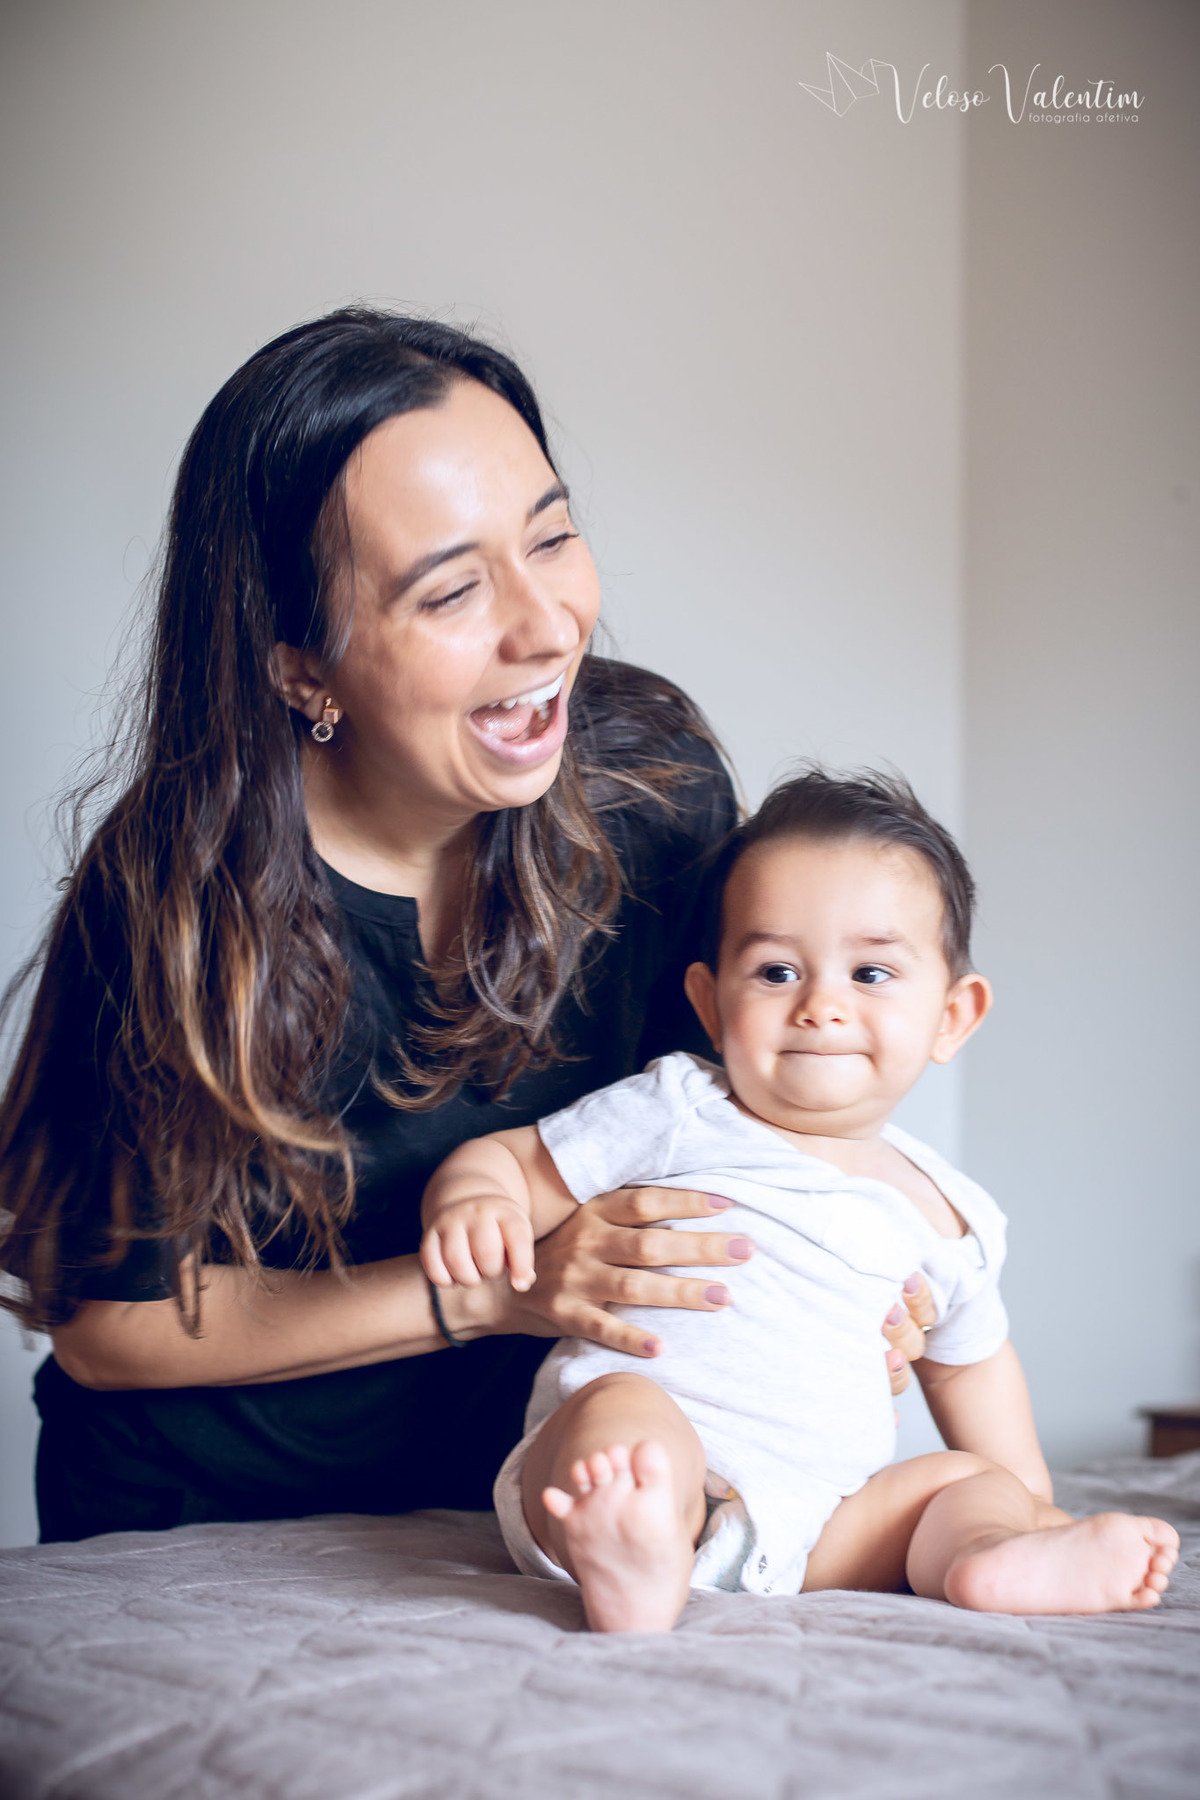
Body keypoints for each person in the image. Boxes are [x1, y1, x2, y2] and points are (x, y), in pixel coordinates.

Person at [0, 310, 929, 1543]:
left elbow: (733, 1111)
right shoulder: (173, 888)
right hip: (195, 1513)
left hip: (517, 1498)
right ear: (298, 668)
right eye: (450, 590)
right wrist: (489, 1298)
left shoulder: (653, 785)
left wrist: (856, 1261)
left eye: (553, 536)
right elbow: (111, 1329)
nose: (545, 627)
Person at [421, 770, 1180, 1631]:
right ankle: (636, 1551)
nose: (822, 1005)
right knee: (620, 1415)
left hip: (810, 1530)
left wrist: (1024, 1500)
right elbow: (511, 1161)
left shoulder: (951, 1213)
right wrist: (478, 1199)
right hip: (628, 1470)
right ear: (711, 1005)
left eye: (870, 972)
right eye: (777, 970)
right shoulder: (680, 1108)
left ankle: (989, 1557)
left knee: (963, 1486)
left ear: (952, 1015)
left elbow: (975, 1366)